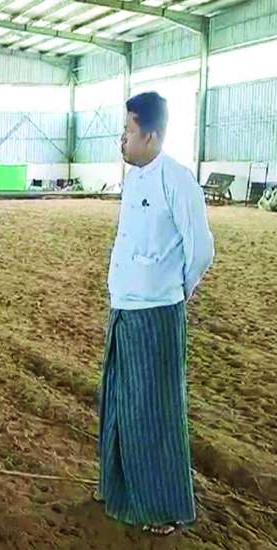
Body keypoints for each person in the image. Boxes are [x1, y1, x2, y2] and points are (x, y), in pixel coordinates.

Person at [97, 92, 214, 535]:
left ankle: (163, 507)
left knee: (155, 410)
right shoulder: (133, 181)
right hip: (124, 309)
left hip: (157, 315)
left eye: (127, 131)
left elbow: (201, 250)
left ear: (151, 134)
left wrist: (175, 290)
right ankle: (120, 489)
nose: (122, 140)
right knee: (119, 401)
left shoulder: (177, 179)